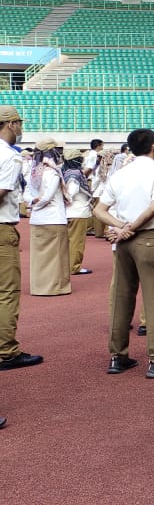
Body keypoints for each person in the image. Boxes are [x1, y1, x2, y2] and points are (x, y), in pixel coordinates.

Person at [92, 128, 154, 378]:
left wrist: (119, 227)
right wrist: (129, 227)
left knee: (121, 298)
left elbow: (99, 209)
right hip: (148, 237)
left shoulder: (121, 174)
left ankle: (118, 356)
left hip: (123, 242)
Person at [0, 106, 44, 372]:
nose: (21, 128)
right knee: (7, 292)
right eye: (19, 124)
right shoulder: (10, 157)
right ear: (11, 124)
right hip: (2, 227)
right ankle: (6, 351)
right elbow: (2, 192)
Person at [25, 137, 71, 297]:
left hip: (37, 219)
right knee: (57, 255)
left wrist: (31, 204)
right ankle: (55, 287)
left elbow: (27, 194)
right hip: (54, 218)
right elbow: (48, 197)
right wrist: (36, 204)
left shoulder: (33, 172)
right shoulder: (53, 171)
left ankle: (38, 286)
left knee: (39, 257)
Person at [62, 148, 93, 275]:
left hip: (68, 212)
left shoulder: (65, 171)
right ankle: (74, 267)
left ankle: (67, 265)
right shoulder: (75, 174)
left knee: (68, 241)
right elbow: (71, 192)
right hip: (77, 212)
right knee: (77, 241)